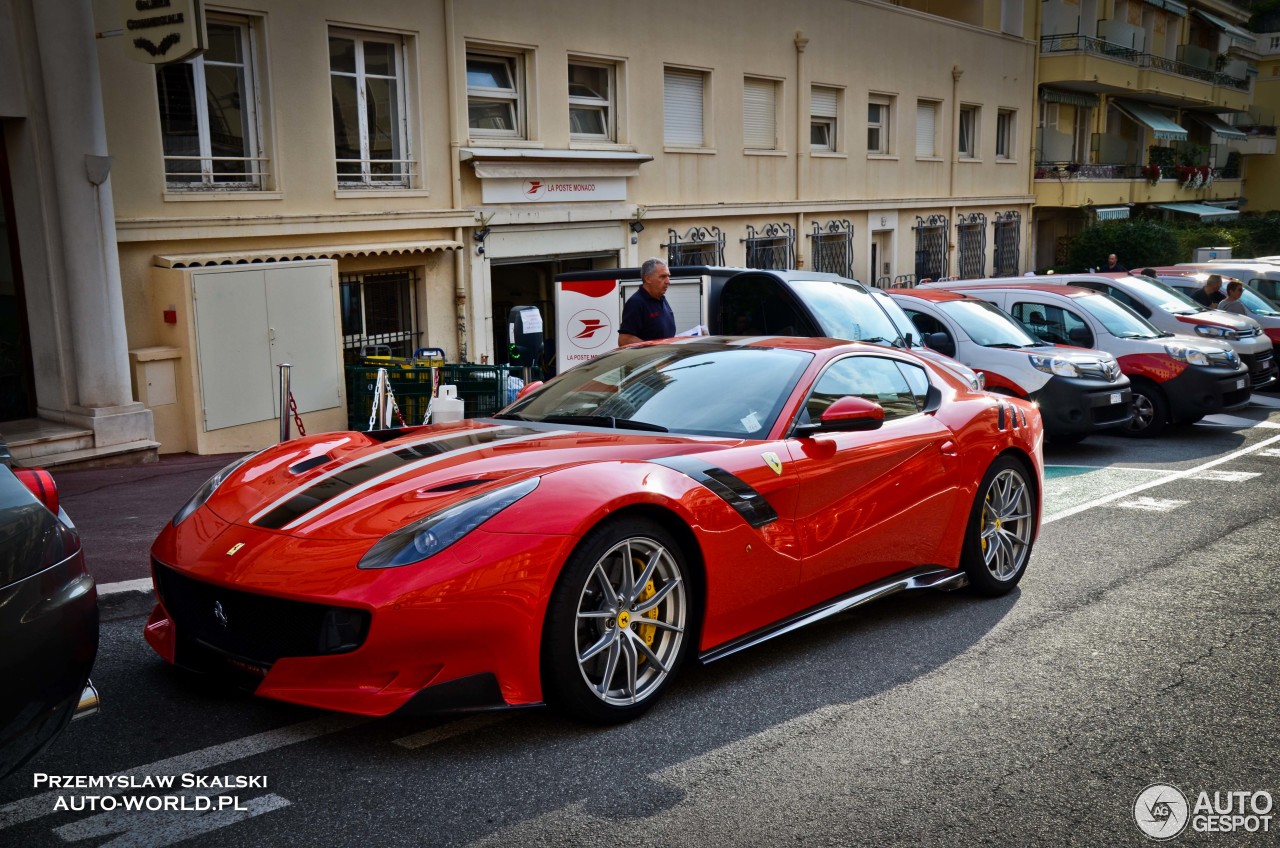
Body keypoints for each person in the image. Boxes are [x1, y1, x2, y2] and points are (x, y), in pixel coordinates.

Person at [618, 258, 676, 346]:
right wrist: (656, 348)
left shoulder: (661, 299)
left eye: (668, 276)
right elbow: (624, 340)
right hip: (651, 359)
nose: (668, 282)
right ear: (648, 278)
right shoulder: (636, 303)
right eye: (663, 277)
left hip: (665, 357)